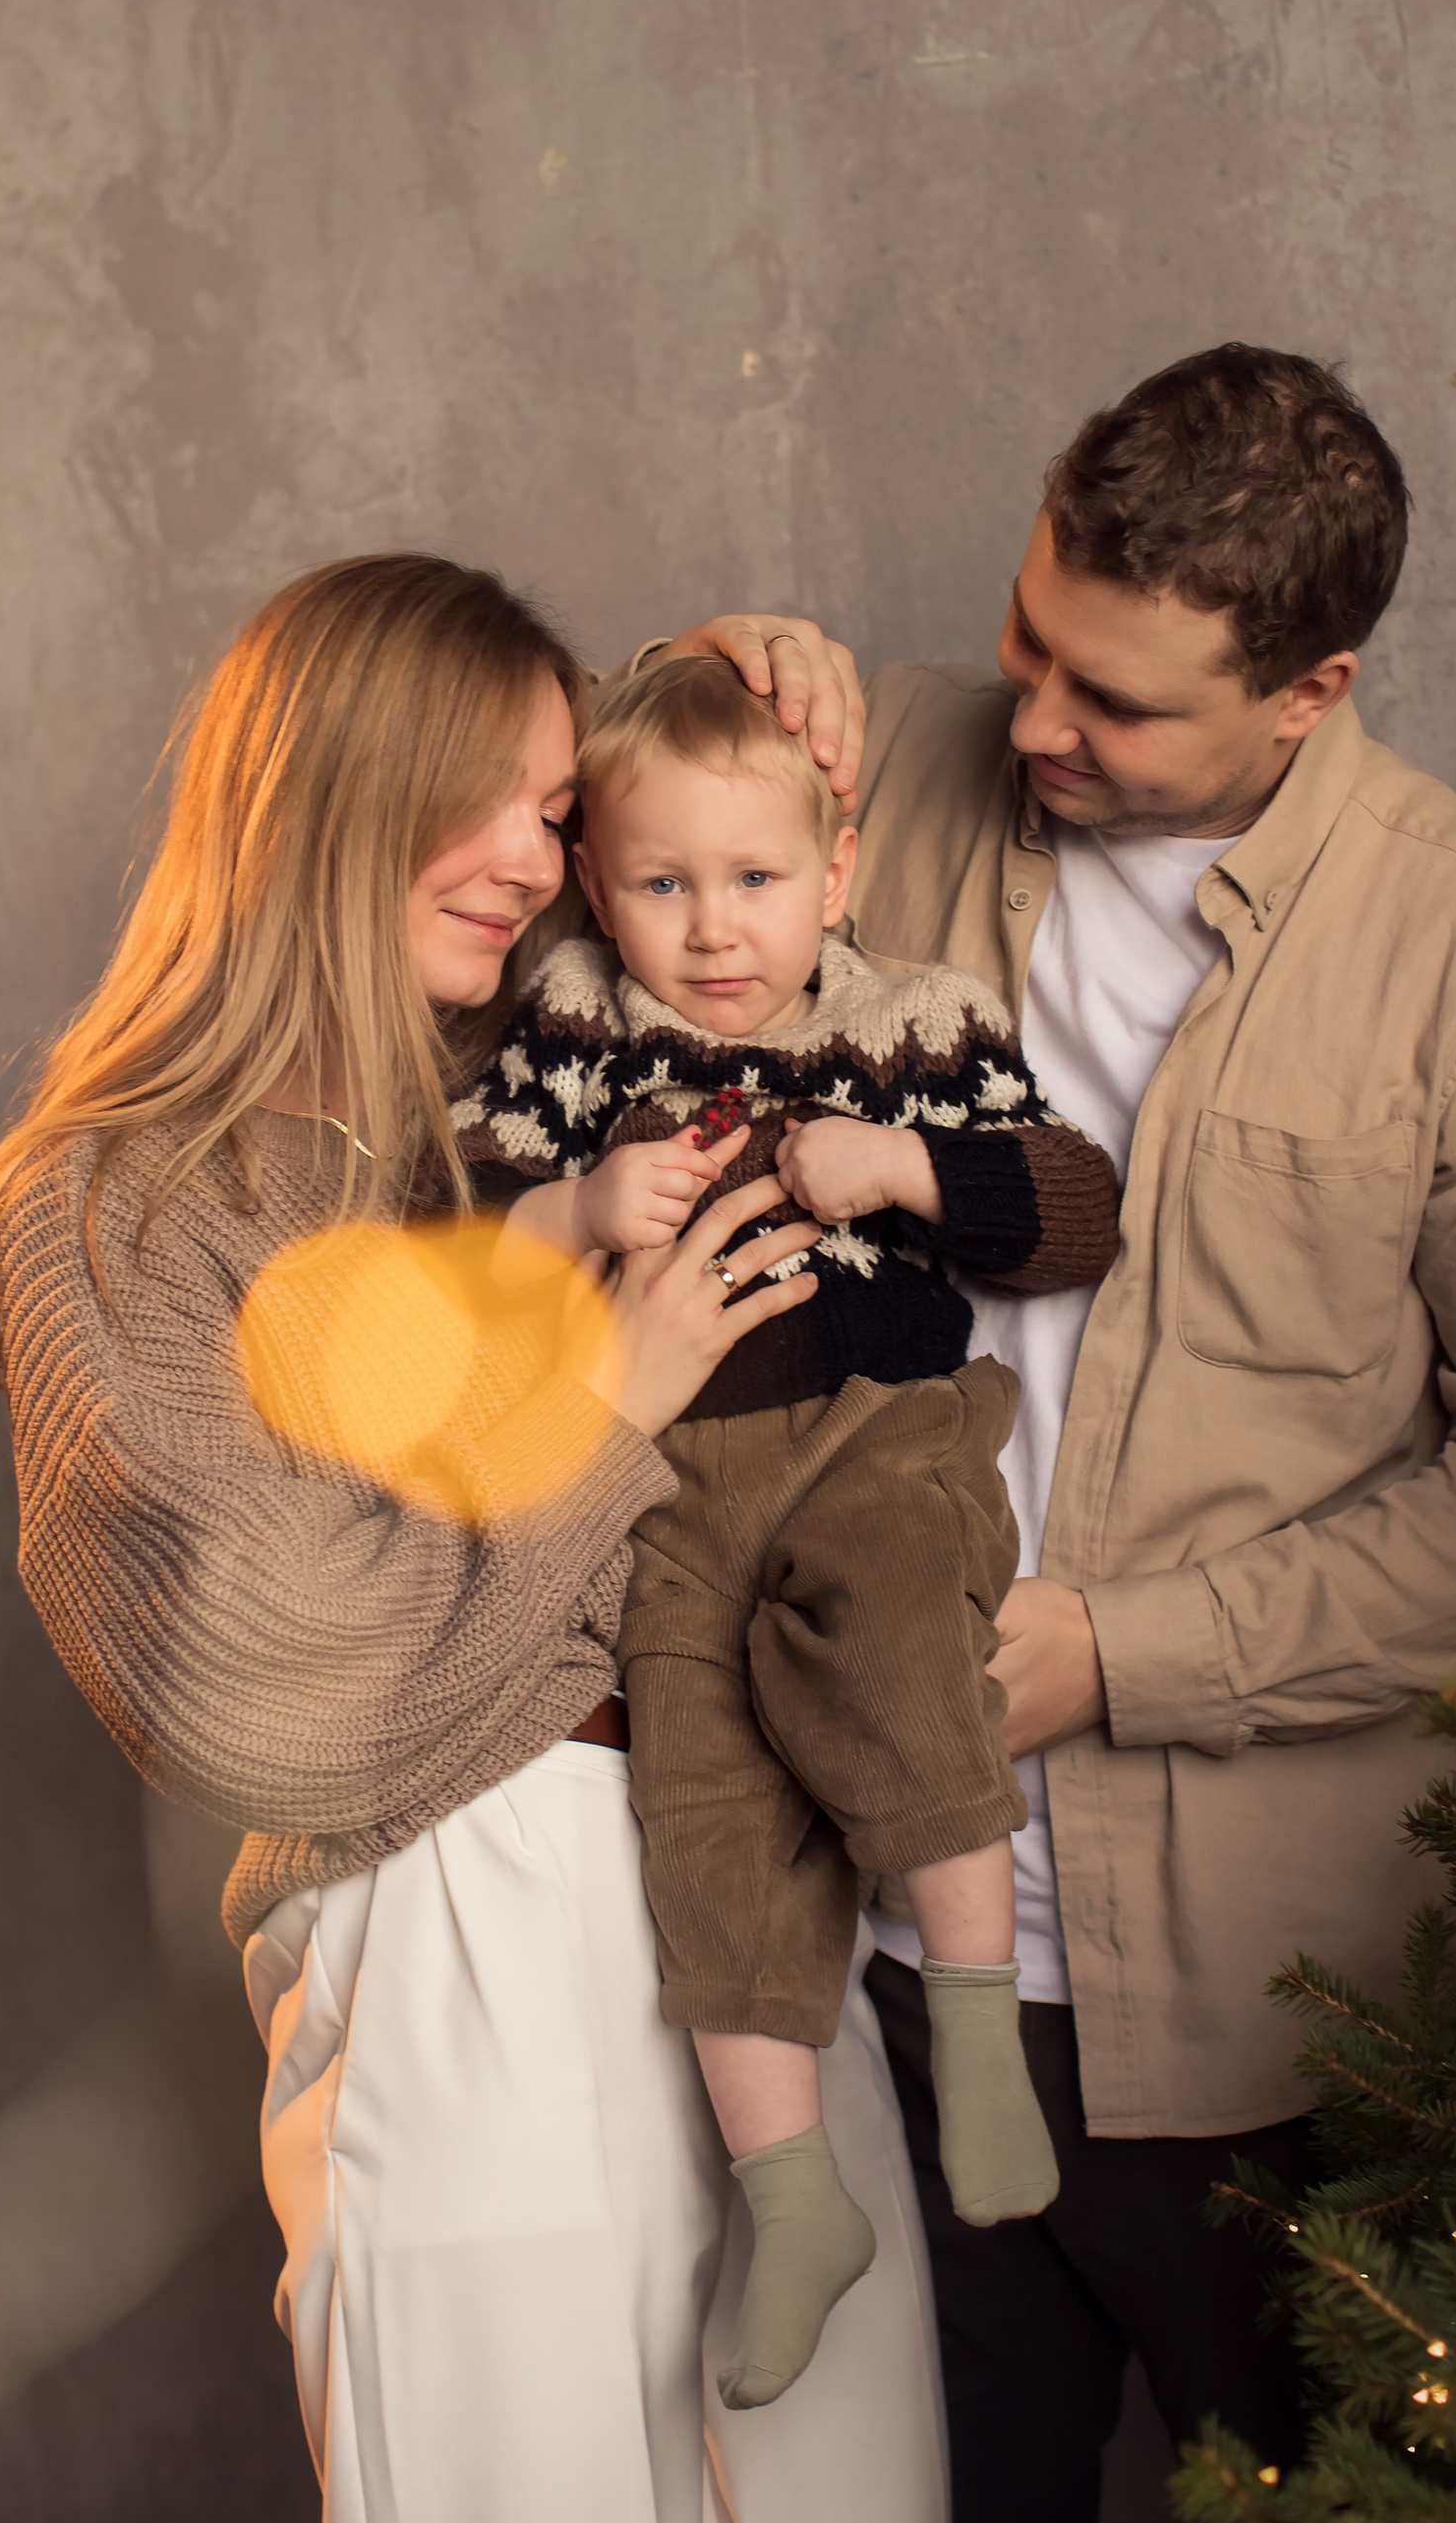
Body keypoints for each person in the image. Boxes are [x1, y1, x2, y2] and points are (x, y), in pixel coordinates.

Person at [654, 346, 1456, 2523]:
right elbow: (589, 826)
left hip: (1258, 2021)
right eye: (1020, 642)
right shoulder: (889, 764)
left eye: (1107, 701)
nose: (1028, 722)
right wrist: (717, 666)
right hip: (874, 1989)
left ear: (1309, 689)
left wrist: (1124, 1655)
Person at [0, 553, 951, 2523]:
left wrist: (767, 636)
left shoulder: (513, 1089)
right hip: (464, 1899)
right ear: (309, 804)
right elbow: (253, 1682)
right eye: (466, 803)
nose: (528, 857)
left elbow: (744, 854)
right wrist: (610, 1409)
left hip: (745, 1889)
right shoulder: (121, 1198)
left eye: (551, 808)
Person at [454, 649, 1124, 2408]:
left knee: (902, 1636)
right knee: (704, 1787)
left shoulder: (917, 1015)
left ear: (838, 869)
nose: (714, 928)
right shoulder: (576, 1021)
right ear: (597, 880)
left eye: (756, 881)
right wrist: (580, 1201)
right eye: (662, 883)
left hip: (877, 1436)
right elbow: (446, 1234)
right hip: (671, 1477)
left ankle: (978, 2030)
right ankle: (794, 2191)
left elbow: (1074, 1210)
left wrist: (899, 1172)